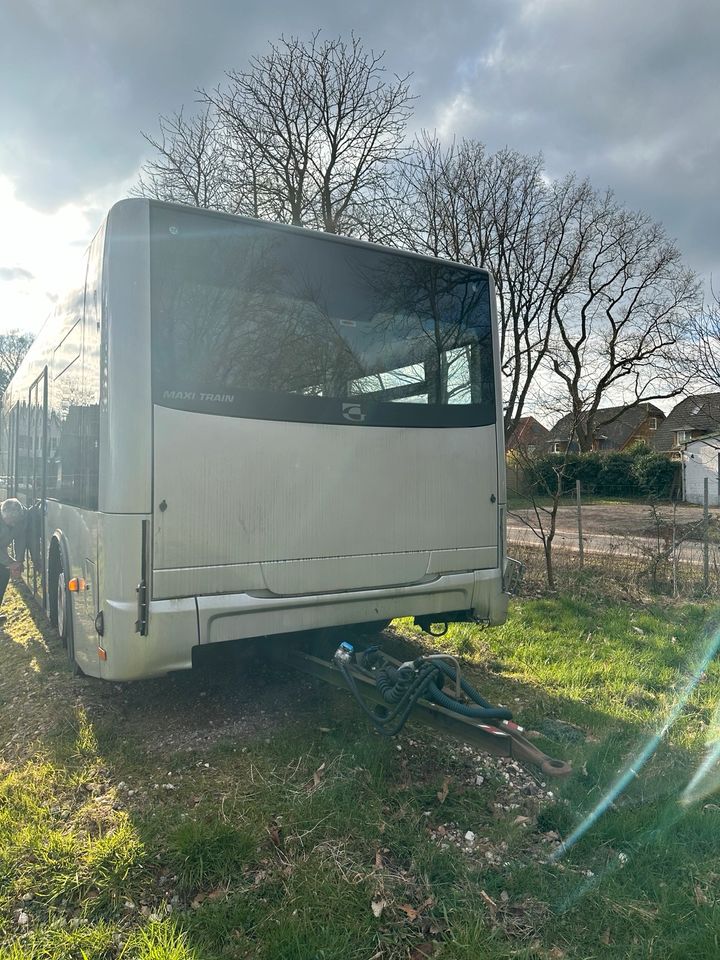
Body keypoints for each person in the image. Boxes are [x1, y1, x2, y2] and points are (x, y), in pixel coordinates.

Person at [0, 498, 28, 624]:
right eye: (9, 521)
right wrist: (10, 563)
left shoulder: (19, 521)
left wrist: (19, 561)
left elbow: (20, 539)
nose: (12, 524)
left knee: (4, 575)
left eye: (15, 521)